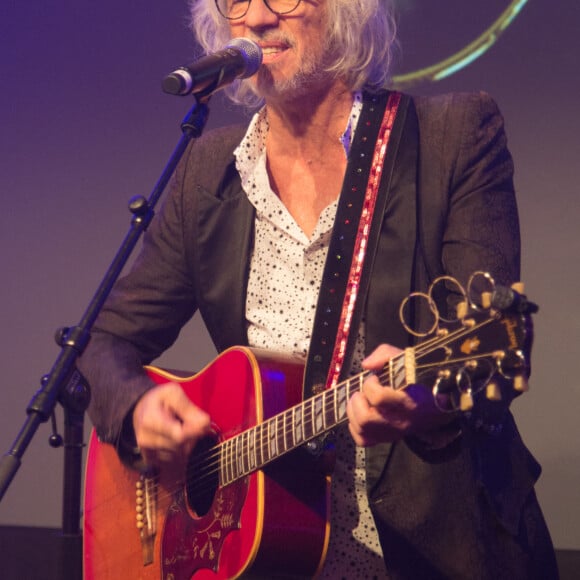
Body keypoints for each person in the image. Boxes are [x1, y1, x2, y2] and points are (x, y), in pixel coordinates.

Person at [78, 0, 559, 578]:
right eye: (235, 0)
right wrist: (136, 408)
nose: (255, 18)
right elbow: (103, 341)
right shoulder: (210, 168)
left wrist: (424, 401)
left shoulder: (451, 137)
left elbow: (493, 358)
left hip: (436, 554)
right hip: (273, 556)